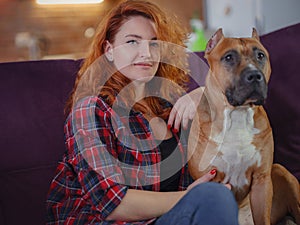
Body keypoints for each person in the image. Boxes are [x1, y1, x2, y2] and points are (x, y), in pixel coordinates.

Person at [46, 0, 239, 224]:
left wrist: (207, 94)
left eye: (154, 44)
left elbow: (233, 135)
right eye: (132, 42)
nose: (146, 53)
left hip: (167, 218)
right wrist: (191, 196)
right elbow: (112, 203)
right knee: (214, 197)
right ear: (109, 50)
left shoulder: (170, 105)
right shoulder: (91, 109)